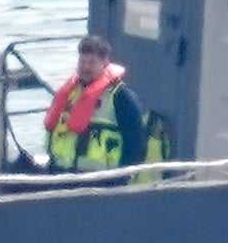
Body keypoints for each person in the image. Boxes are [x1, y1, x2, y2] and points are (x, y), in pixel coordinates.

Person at [43, 33, 149, 177]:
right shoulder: (68, 95)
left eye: (91, 63)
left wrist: (120, 181)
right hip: (61, 178)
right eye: (82, 62)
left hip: (102, 183)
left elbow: (136, 145)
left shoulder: (121, 97)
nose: (85, 67)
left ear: (105, 63)